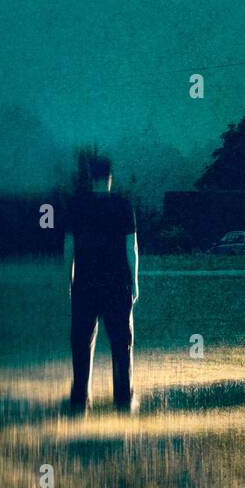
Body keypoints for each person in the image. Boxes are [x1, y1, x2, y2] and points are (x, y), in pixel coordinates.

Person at [64, 154, 139, 414]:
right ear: (110, 177)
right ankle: (123, 398)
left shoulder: (76, 205)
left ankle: (80, 397)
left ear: (90, 176)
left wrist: (68, 280)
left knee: (81, 341)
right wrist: (135, 281)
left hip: (85, 283)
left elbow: (69, 247)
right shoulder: (122, 205)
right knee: (121, 343)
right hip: (117, 283)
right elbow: (132, 247)